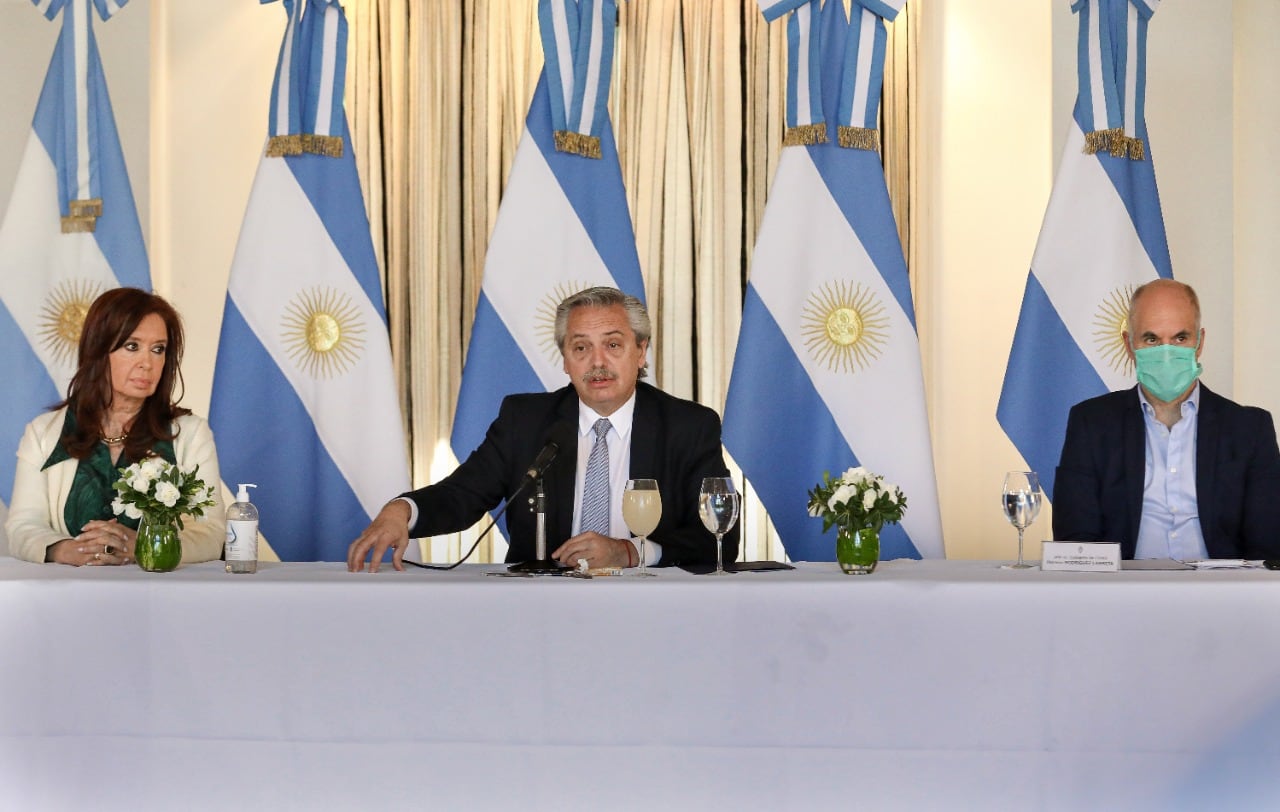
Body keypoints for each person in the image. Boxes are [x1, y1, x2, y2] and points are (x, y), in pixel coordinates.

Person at [348, 286, 738, 572]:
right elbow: (462, 495)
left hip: (650, 612)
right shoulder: (525, 421)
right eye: (581, 348)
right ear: (565, 360)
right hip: (538, 610)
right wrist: (403, 510)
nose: (597, 362)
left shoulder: (688, 426)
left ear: (641, 351)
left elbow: (720, 538)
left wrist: (629, 552)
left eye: (613, 345)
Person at [1053, 279, 1280, 559]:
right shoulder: (1090, 424)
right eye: (1151, 340)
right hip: (1123, 584)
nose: (1167, 352)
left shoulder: (1250, 430)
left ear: (1200, 343)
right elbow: (1075, 542)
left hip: (1219, 585)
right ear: (1129, 345)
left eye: (1180, 338)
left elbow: (1268, 548)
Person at [5, 288, 225, 565]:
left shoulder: (191, 434)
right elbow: (23, 526)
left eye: (158, 349)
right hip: (70, 589)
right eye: (132, 346)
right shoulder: (43, 433)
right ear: (98, 350)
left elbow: (211, 533)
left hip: (159, 590)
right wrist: (69, 550)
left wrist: (145, 545)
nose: (147, 363)